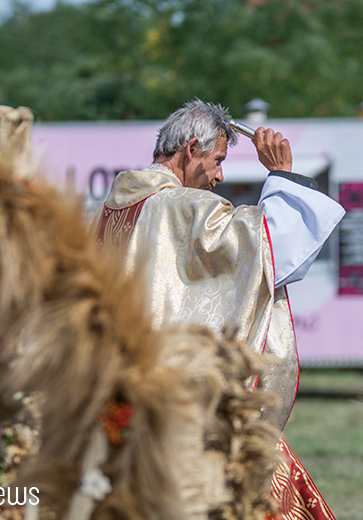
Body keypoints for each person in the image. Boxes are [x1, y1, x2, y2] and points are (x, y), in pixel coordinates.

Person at [91, 99, 344, 519]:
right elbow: (272, 248)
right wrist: (282, 175)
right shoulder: (180, 208)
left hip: (118, 405)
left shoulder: (106, 209)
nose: (221, 175)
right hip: (182, 417)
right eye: (218, 160)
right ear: (190, 150)